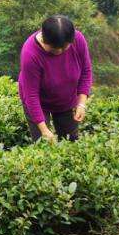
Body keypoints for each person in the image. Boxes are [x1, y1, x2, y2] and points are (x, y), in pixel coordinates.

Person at [18, 15, 93, 143]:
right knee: (43, 143)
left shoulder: (78, 39)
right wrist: (44, 130)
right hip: (39, 102)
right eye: (55, 48)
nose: (60, 52)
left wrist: (81, 103)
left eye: (64, 47)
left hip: (66, 98)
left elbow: (86, 71)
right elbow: (31, 95)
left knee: (71, 141)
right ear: (45, 39)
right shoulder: (30, 54)